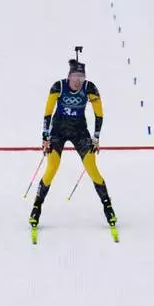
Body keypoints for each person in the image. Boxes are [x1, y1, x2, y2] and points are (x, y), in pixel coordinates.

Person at [29, 56, 117, 231]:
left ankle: (108, 206)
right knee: (52, 168)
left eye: (81, 78)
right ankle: (36, 207)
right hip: (58, 132)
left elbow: (99, 114)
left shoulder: (89, 88)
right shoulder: (58, 87)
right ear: (69, 76)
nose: (78, 82)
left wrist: (96, 137)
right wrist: (45, 136)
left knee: (92, 167)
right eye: (75, 77)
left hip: (79, 132)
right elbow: (47, 112)